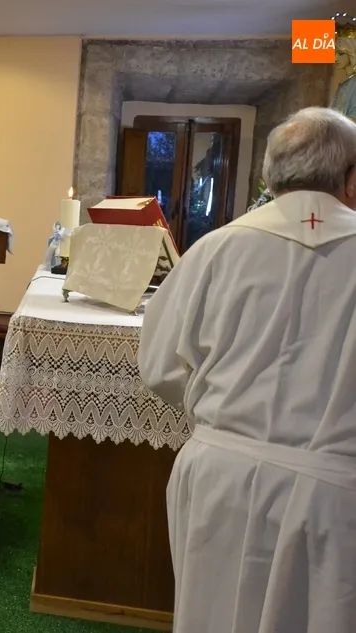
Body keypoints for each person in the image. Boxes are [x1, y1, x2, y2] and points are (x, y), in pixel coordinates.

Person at [138, 107, 356, 633]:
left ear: (269, 176)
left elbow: (160, 366)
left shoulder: (216, 248)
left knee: (211, 616)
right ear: (352, 179)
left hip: (221, 476)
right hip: (334, 495)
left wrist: (223, 416)